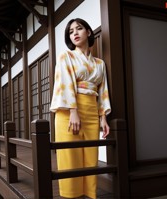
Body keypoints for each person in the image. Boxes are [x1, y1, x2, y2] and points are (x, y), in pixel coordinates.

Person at [50, 18, 111, 199]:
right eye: (70, 31)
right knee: (71, 158)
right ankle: (71, 196)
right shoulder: (66, 56)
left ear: (89, 32)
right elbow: (65, 84)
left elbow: (103, 91)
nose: (75, 33)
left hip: (92, 111)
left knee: (90, 158)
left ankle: (90, 194)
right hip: (69, 112)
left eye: (79, 29)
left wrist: (103, 118)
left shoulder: (99, 64)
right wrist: (73, 111)